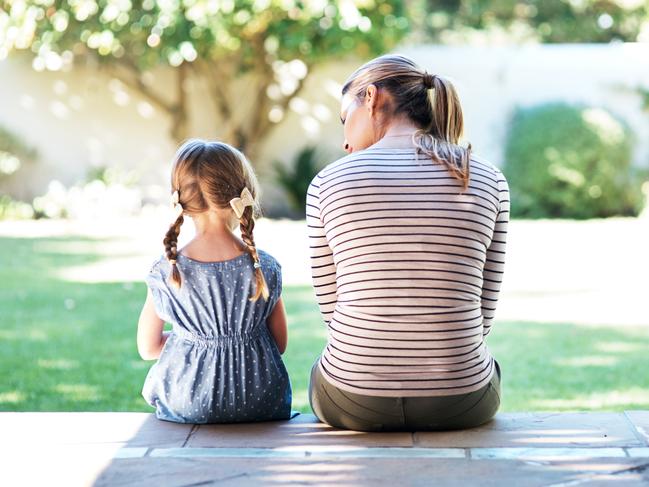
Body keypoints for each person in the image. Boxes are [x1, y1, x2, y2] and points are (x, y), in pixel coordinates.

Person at [306, 54, 510, 431]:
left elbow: (333, 313)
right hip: (461, 400)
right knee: (488, 366)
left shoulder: (327, 183)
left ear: (370, 97)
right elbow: (483, 312)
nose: (344, 141)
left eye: (343, 118)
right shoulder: (487, 178)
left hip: (353, 400)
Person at [137, 139, 293, 424]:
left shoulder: (166, 270)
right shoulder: (265, 266)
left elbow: (148, 348)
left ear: (180, 201)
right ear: (242, 194)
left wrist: (192, 339)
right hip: (260, 400)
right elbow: (279, 343)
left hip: (189, 402)